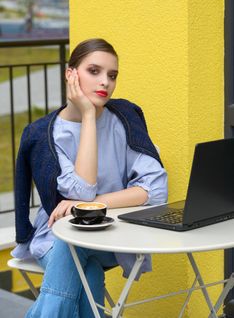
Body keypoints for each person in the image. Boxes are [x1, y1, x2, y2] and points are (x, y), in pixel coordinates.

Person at [12, 38, 168, 318]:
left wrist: (90, 204)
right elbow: (82, 191)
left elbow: (155, 189)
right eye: (94, 71)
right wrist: (87, 116)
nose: (105, 82)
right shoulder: (45, 134)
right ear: (70, 74)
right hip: (56, 233)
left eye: (112, 75)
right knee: (87, 270)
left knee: (76, 254)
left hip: (111, 233)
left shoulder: (125, 120)